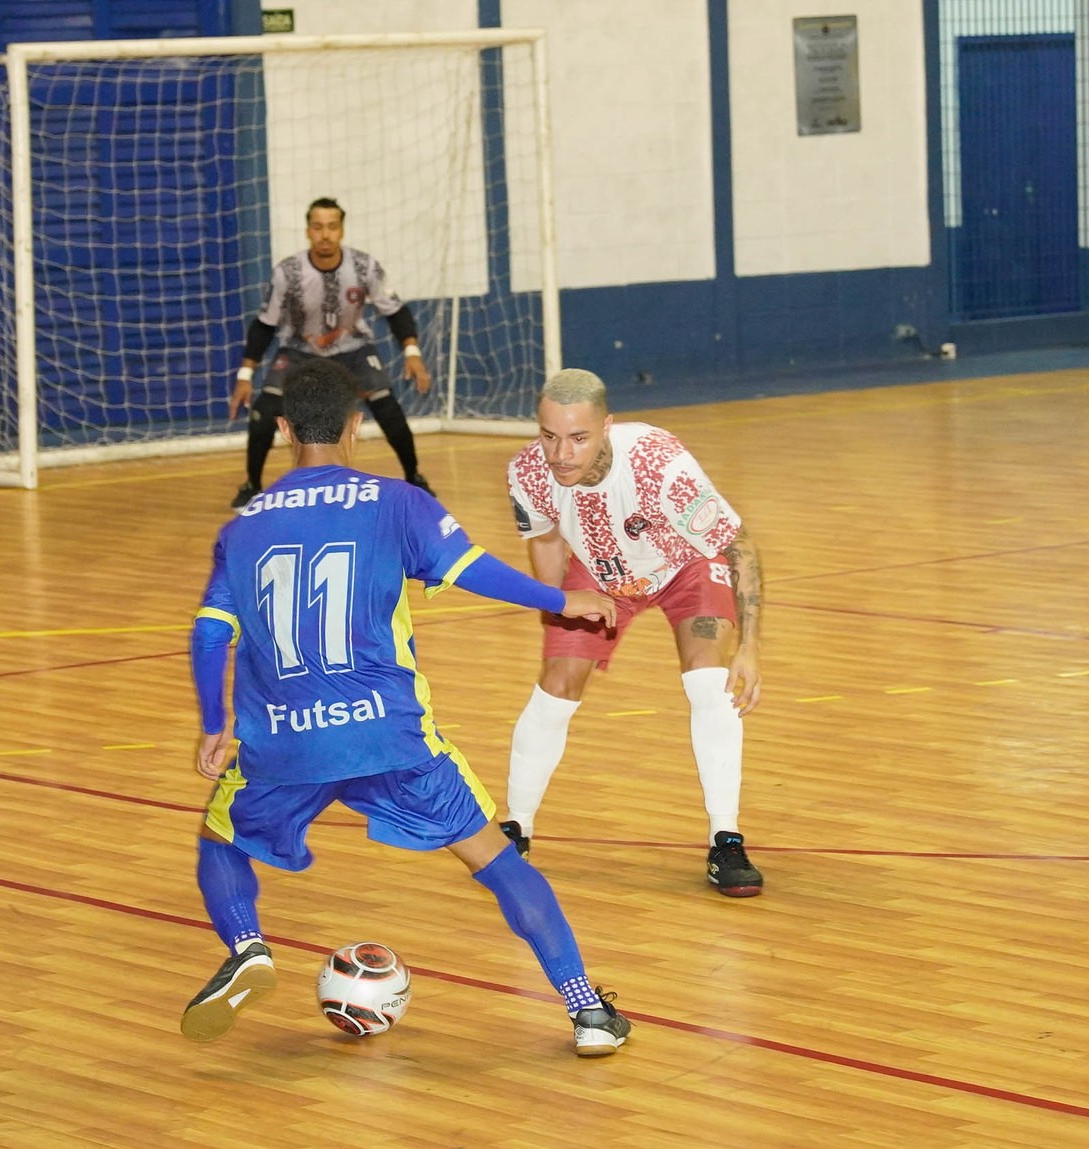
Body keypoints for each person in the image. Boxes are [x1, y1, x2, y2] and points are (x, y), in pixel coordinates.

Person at [183, 358, 634, 1057]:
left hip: (282, 741)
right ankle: (587, 1011)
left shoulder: (242, 528)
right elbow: (475, 567)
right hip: (389, 738)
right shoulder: (396, 502)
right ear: (356, 425)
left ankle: (246, 944)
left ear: (280, 429)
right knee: (497, 860)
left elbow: (210, 633)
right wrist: (561, 599)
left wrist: (215, 726)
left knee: (220, 839)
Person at [497, 369, 766, 897]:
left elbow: (740, 548)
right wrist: (557, 610)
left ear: (607, 427)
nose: (561, 454)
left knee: (708, 681)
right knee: (555, 687)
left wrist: (751, 647)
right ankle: (515, 828)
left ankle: (726, 839)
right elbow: (549, 542)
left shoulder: (659, 465)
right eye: (549, 435)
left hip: (683, 565)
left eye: (578, 438)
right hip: (600, 575)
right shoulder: (529, 472)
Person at [228, 197, 435, 509]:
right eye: (318, 227)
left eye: (332, 227)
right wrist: (245, 376)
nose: (325, 234)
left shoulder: (365, 266)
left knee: (387, 407)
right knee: (264, 412)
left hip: (353, 350)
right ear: (307, 231)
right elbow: (264, 326)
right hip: (299, 351)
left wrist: (412, 352)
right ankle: (252, 486)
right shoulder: (288, 272)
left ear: (342, 230)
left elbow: (395, 312)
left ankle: (414, 477)